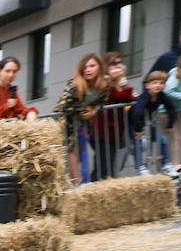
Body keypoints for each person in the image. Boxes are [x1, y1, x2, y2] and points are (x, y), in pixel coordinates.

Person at [54, 53, 109, 182]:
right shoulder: (74, 84)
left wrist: (93, 111)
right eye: (85, 67)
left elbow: (101, 102)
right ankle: (75, 180)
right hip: (65, 120)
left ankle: (75, 179)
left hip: (82, 122)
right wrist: (83, 110)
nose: (88, 70)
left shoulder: (104, 85)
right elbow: (62, 106)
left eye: (92, 66)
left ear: (99, 67)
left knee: (79, 150)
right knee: (70, 149)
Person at [88, 53, 135, 181]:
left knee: (110, 169)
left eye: (120, 63)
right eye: (114, 63)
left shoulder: (120, 83)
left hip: (114, 132)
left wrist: (121, 84)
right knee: (101, 168)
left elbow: (128, 98)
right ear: (106, 66)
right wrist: (119, 84)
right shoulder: (102, 82)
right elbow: (115, 96)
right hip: (101, 133)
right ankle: (92, 188)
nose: (118, 66)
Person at [130, 70, 175, 176]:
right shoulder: (144, 97)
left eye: (161, 83)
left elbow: (171, 108)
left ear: (164, 85)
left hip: (148, 122)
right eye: (154, 83)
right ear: (147, 85)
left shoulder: (161, 96)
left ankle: (166, 164)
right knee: (139, 143)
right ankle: (141, 167)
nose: (157, 86)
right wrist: (138, 130)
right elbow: (138, 112)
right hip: (135, 123)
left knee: (162, 139)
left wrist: (170, 125)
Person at [0, 57, 38, 123]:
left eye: (14, 71)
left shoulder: (11, 89)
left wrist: (31, 112)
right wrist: (8, 106)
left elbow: (21, 109)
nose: (11, 75)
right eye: (7, 71)